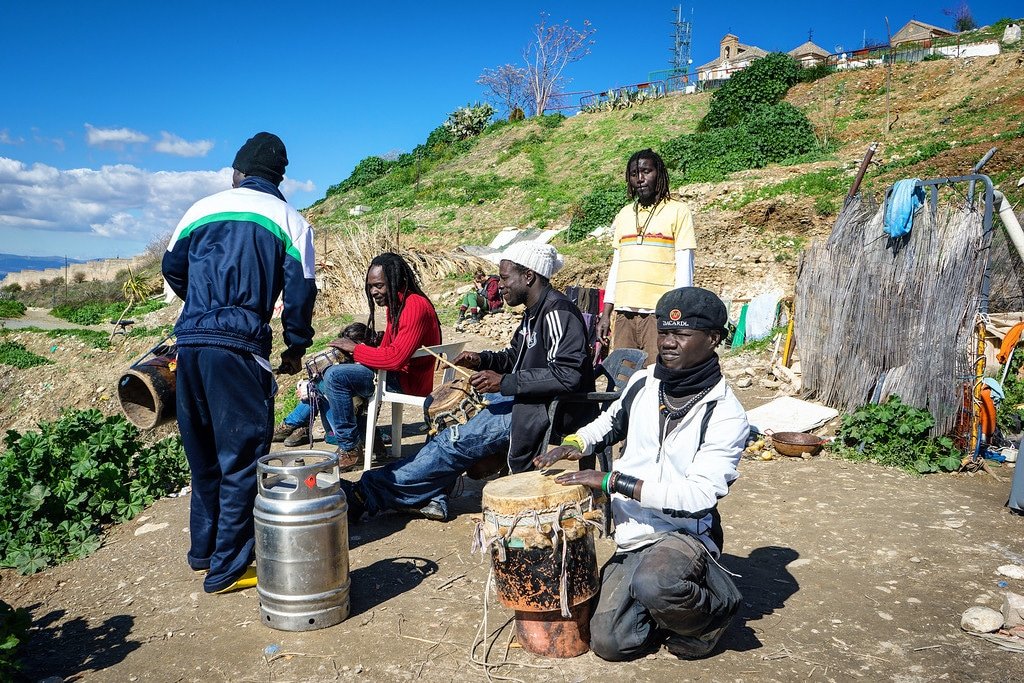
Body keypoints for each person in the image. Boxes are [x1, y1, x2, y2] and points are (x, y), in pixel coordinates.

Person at [535, 287, 748, 660]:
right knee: (610, 643)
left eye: (681, 335)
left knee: (657, 583)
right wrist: (576, 443)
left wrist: (612, 482)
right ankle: (665, 607)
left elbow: (698, 496)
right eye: (664, 332)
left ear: (713, 339)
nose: (668, 342)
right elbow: (610, 423)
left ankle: (712, 614)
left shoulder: (727, 413)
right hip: (633, 533)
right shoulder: (645, 382)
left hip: (683, 533)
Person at [162, 132, 317, 594]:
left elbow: (172, 267)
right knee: (243, 456)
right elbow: (301, 291)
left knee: (203, 452)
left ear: (238, 172)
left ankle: (204, 551)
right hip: (240, 347)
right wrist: (295, 344)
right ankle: (228, 568)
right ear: (280, 176)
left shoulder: (200, 209)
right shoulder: (292, 221)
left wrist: (204, 308)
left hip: (188, 344)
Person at [341, 242, 595, 522]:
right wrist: (482, 360)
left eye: (505, 278)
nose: (499, 286)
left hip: (548, 409)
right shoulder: (533, 313)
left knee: (453, 441)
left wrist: (505, 383)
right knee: (448, 425)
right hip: (528, 400)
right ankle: (430, 495)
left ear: (529, 276)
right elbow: (514, 357)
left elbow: (568, 374)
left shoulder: (557, 312)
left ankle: (367, 493)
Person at [321, 253, 441, 470]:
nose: (374, 292)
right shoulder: (397, 305)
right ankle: (368, 441)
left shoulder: (414, 306)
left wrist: (356, 350)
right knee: (336, 377)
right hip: (400, 375)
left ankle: (349, 448)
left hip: (407, 381)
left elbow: (394, 358)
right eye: (371, 287)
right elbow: (387, 350)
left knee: (334, 376)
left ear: (397, 281)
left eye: (379, 285)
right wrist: (363, 354)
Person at [596, 149, 697, 365]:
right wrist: (606, 313)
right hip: (624, 314)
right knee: (623, 379)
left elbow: (684, 265)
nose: (640, 179)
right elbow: (616, 266)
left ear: (658, 174)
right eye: (634, 173)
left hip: (658, 314)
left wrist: (676, 314)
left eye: (646, 171)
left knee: (656, 377)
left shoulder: (678, 211)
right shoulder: (624, 214)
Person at [272, 322, 375, 447]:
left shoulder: (366, 371)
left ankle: (293, 424)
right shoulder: (350, 364)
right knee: (317, 385)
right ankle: (296, 424)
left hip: (347, 431)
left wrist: (313, 386)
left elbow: (353, 403)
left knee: (317, 387)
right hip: (338, 422)